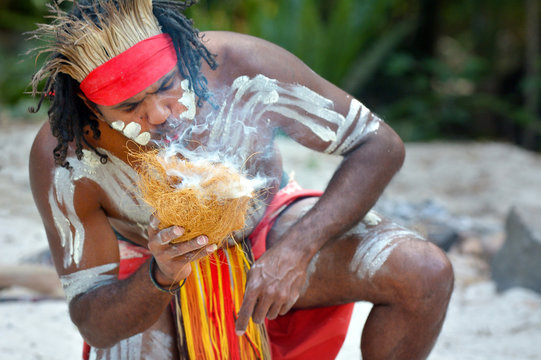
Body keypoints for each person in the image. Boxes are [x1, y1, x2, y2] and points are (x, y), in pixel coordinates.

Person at [28, 0, 454, 359]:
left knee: (423, 272)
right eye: (130, 106)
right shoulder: (66, 157)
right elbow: (94, 322)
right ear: (89, 105)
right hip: (151, 262)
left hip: (267, 223)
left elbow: (379, 144)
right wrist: (161, 272)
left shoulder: (238, 65)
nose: (158, 113)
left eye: (166, 87)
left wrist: (296, 251)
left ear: (180, 58)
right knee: (128, 345)